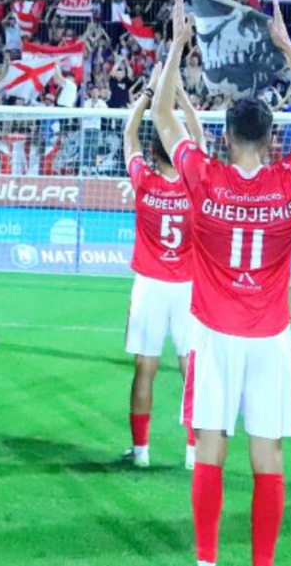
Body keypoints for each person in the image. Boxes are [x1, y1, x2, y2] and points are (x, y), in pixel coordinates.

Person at [151, 0, 291, 566]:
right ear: (271, 139)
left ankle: (207, 560)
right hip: (271, 336)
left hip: (214, 336)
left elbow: (161, 116)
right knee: (268, 453)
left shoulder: (203, 177)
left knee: (209, 448)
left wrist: (179, 45)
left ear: (225, 137)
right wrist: (286, 48)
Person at [122, 67, 206, 471]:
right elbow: (200, 141)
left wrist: (149, 95)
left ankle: (141, 452)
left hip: (150, 286)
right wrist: (183, 99)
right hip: (188, 287)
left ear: (154, 154)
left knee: (145, 368)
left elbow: (128, 137)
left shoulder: (144, 182)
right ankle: (192, 453)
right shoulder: (196, 184)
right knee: (190, 367)